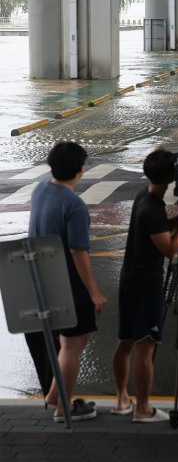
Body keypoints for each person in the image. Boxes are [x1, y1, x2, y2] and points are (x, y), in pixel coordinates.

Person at [111, 148, 178, 422]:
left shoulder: (144, 197)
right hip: (146, 285)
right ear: (172, 177)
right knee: (145, 348)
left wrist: (177, 218)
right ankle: (143, 408)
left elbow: (157, 227)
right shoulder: (151, 208)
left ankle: (122, 399)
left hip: (129, 280)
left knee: (125, 342)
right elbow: (170, 250)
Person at [27, 141, 107, 422]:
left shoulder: (40, 190)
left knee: (77, 338)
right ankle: (63, 407)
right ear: (80, 170)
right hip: (69, 285)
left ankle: (55, 394)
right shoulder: (74, 204)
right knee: (72, 344)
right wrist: (94, 291)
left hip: (43, 281)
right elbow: (78, 251)